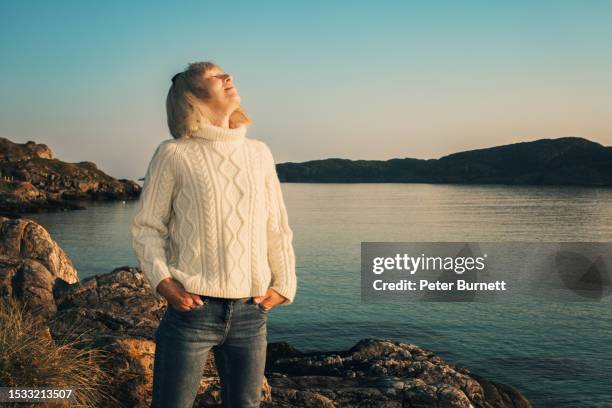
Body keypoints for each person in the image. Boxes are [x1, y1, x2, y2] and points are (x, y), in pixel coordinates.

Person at [130, 61, 297, 408]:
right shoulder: (173, 154)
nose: (229, 78)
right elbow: (147, 228)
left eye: (226, 74)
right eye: (216, 77)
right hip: (192, 312)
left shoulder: (259, 153)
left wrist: (285, 283)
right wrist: (163, 282)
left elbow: (276, 226)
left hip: (252, 313)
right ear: (193, 97)